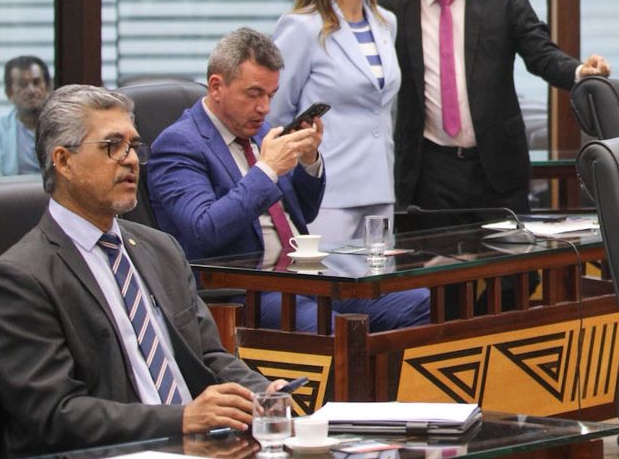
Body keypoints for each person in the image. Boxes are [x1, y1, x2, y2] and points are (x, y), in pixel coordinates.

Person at [0, 85, 271, 456]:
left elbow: (208, 356)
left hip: (199, 445)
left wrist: (263, 394)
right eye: (112, 146)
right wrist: (181, 419)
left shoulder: (161, 248)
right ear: (63, 161)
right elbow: (54, 414)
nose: (131, 160)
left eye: (133, 146)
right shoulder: (22, 277)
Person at [149, 28, 429, 330]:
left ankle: (385, 364)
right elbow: (205, 230)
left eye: (271, 95)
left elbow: (303, 213)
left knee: (423, 304)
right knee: (333, 330)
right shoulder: (179, 144)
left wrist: (309, 161)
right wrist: (267, 170)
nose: (265, 108)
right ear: (216, 86)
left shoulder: (259, 131)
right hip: (246, 291)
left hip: (307, 276)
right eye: (254, 94)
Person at [378, 0, 608, 213]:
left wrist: (579, 72)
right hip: (427, 170)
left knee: (505, 246)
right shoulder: (391, 6)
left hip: (495, 168)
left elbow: (539, 52)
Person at [268, 0, 400, 243]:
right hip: (329, 189)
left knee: (379, 275)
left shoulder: (386, 23)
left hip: (379, 183)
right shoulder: (302, 28)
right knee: (325, 273)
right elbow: (275, 112)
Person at [0, 54, 50, 176]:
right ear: (9, 93)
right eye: (22, 84)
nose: (31, 90)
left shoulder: (63, 125)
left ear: (48, 88)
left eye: (36, 83)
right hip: (10, 189)